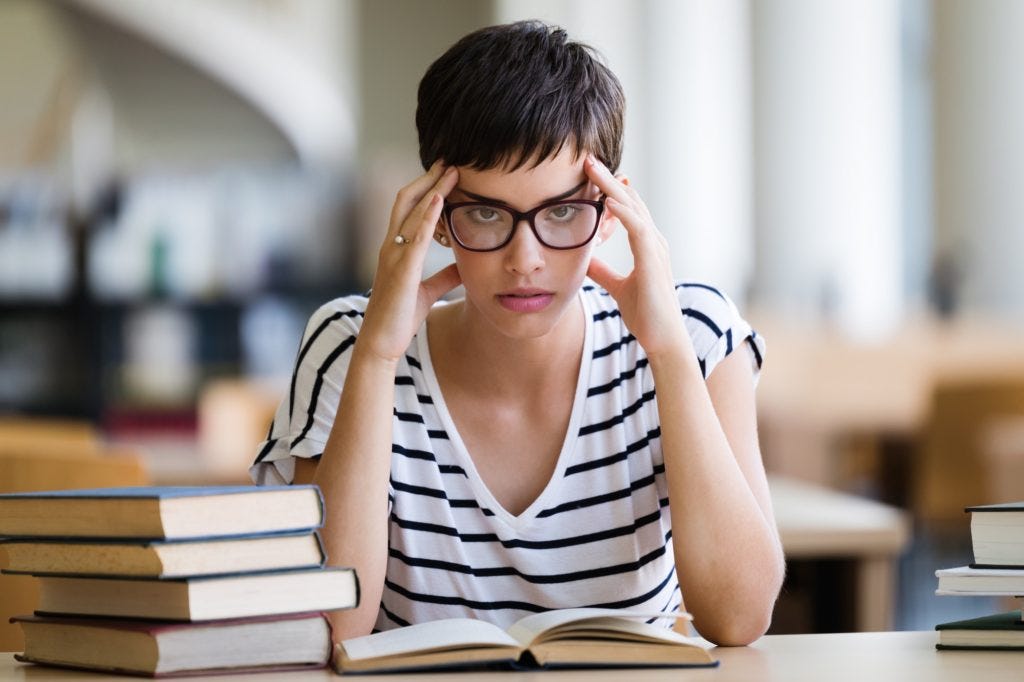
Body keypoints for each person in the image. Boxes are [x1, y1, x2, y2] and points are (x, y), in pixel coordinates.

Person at [250, 20, 783, 646]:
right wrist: (377, 356)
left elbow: (740, 617)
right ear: (434, 218)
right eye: (484, 212)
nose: (525, 258)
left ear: (611, 211)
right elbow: (328, 624)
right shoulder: (350, 343)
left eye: (561, 212)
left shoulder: (693, 335)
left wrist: (666, 354)